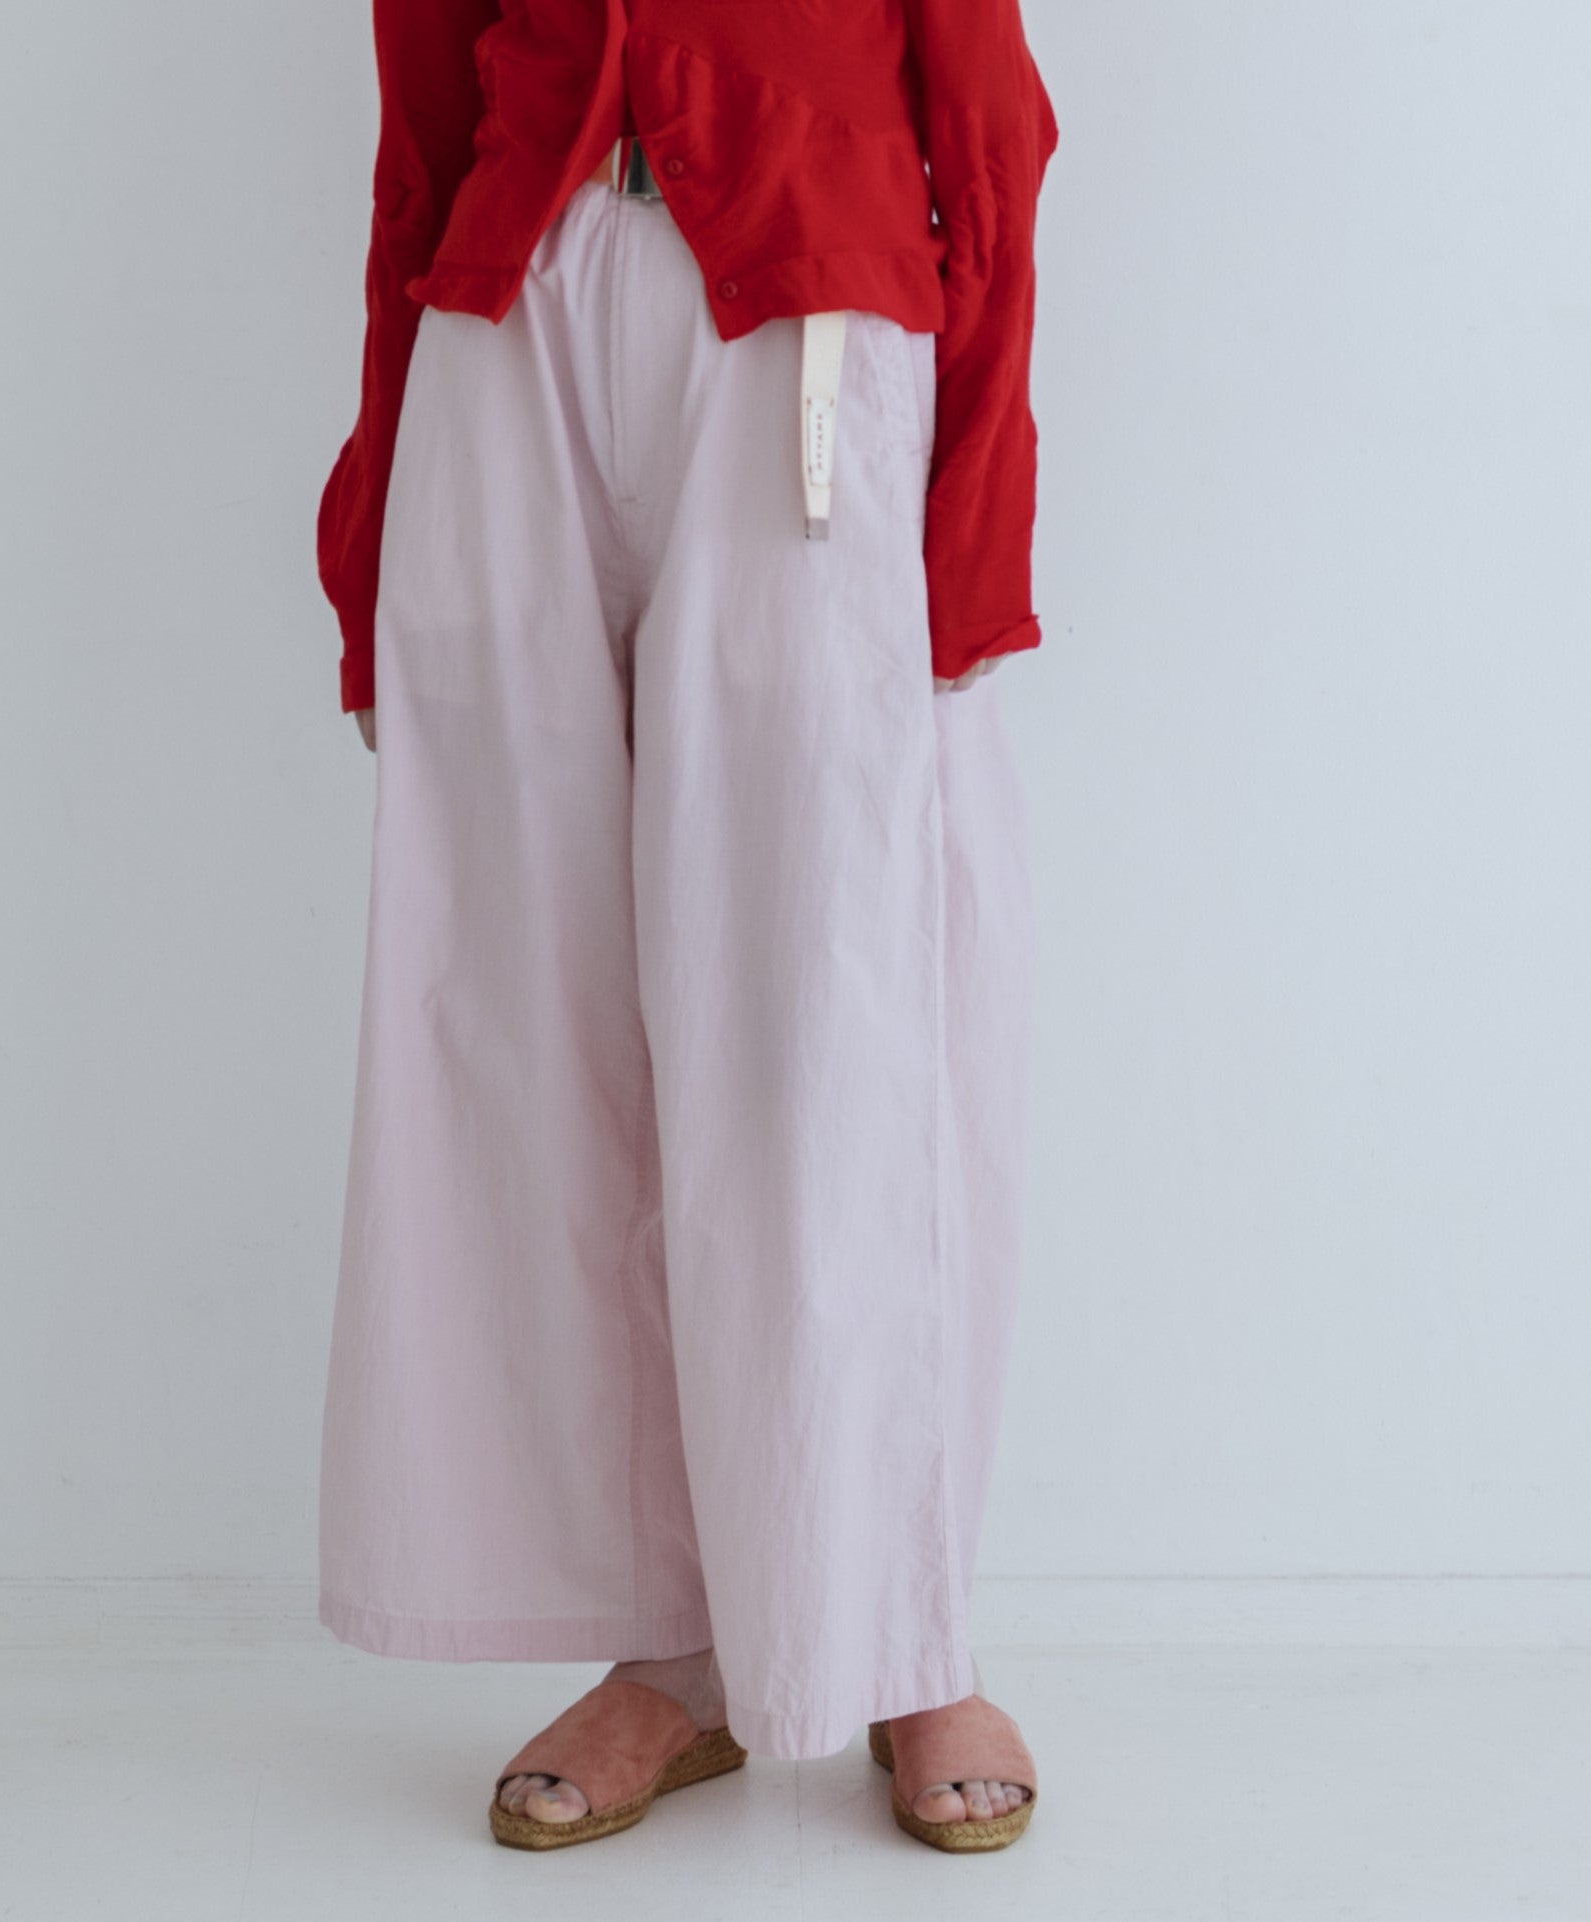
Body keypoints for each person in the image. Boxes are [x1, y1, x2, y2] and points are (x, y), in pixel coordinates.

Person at [314, 0, 1059, 1856]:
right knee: (528, 1008)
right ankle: (672, 1651)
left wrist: (975, 521)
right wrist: (372, 520)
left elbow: (989, 126)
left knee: (827, 1003)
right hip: (510, 325)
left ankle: (903, 1637)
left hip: (809, 326)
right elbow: (421, 117)